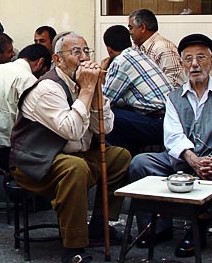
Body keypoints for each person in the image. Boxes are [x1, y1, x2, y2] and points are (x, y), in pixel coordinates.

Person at [9, 31, 131, 263]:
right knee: (74, 168)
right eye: (76, 52)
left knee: (120, 157)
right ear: (57, 60)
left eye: (86, 51)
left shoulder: (80, 82)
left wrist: (96, 94)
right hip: (35, 163)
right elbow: (71, 131)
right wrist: (86, 90)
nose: (84, 58)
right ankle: (73, 247)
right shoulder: (48, 88)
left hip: (75, 155)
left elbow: (105, 128)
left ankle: (99, 224)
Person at [128, 33, 212, 258]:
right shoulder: (173, 97)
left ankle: (200, 226)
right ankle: (157, 227)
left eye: (201, 58)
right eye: (188, 59)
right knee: (140, 163)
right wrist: (192, 158)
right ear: (182, 64)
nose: (194, 64)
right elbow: (172, 136)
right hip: (183, 160)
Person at [101, 25, 173, 155]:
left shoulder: (121, 61)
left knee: (108, 116)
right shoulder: (139, 54)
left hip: (159, 123)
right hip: (169, 118)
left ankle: (118, 162)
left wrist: (100, 75)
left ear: (109, 49)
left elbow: (105, 101)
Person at [0, 43, 51, 170]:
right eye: (43, 72)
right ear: (40, 63)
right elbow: (33, 121)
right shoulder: (27, 79)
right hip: (9, 151)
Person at [128, 8, 186, 88]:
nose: (129, 32)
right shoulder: (136, 48)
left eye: (131, 28)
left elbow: (175, 86)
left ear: (142, 28)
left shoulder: (164, 49)